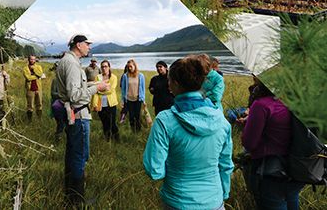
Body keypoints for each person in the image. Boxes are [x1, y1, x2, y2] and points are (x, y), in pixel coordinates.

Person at [143, 56, 232, 210]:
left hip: (178, 201)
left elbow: (154, 170)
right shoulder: (222, 121)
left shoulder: (165, 120)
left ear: (176, 83)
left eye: (170, 80)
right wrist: (223, 194)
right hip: (215, 201)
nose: (168, 85)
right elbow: (225, 165)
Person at [52, 34, 109, 207]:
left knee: (72, 155)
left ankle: (69, 196)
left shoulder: (68, 61)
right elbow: (75, 95)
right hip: (78, 117)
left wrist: (92, 86)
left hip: (73, 115)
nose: (89, 47)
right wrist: (97, 88)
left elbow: (76, 89)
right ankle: (77, 201)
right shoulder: (71, 64)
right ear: (78, 45)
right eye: (87, 44)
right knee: (79, 157)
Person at [241, 78, 305, 209]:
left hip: (271, 172)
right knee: (292, 199)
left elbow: (249, 143)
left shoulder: (261, 105)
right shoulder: (297, 102)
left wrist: (248, 125)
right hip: (299, 169)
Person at [92, 60, 119, 142]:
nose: (104, 68)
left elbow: (110, 90)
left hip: (111, 104)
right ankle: (107, 139)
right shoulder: (98, 77)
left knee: (112, 123)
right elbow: (95, 92)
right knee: (104, 123)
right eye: (102, 66)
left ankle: (117, 140)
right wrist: (94, 104)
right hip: (101, 104)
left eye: (106, 66)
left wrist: (99, 89)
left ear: (109, 67)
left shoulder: (113, 77)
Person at [120, 59, 146, 133]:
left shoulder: (141, 76)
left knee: (137, 116)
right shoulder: (125, 76)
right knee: (131, 117)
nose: (129, 68)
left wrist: (143, 100)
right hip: (128, 100)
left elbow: (143, 89)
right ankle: (133, 130)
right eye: (128, 67)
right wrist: (122, 100)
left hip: (138, 99)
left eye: (131, 66)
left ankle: (138, 130)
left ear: (135, 66)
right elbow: (123, 89)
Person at [22, 54, 46, 122]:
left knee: (39, 104)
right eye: (31, 59)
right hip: (30, 89)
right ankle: (30, 121)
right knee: (30, 105)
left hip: (38, 89)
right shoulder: (25, 68)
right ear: (28, 60)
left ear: (35, 60)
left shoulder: (38, 67)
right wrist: (37, 76)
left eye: (34, 59)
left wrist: (34, 70)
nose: (32, 60)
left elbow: (40, 74)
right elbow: (28, 78)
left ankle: (39, 119)